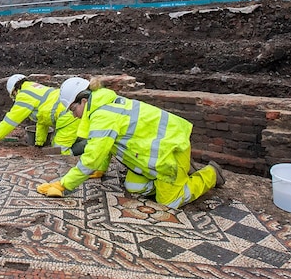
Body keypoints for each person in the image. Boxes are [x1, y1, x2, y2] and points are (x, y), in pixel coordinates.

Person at [36, 76, 225, 209]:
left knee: (170, 202)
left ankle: (210, 174)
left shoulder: (103, 115)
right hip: (153, 155)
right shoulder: (103, 106)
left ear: (83, 101)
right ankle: (178, 174)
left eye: (72, 109)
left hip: (170, 150)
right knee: (134, 188)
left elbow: (91, 157)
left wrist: (63, 184)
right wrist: (100, 170)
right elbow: (106, 146)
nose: (73, 115)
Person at [0, 74, 84, 156]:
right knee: (70, 139)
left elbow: (11, 120)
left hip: (69, 114)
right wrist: (39, 143)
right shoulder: (35, 88)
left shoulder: (24, 96)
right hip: (73, 110)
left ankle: (86, 148)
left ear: (14, 91)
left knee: (58, 152)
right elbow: (42, 120)